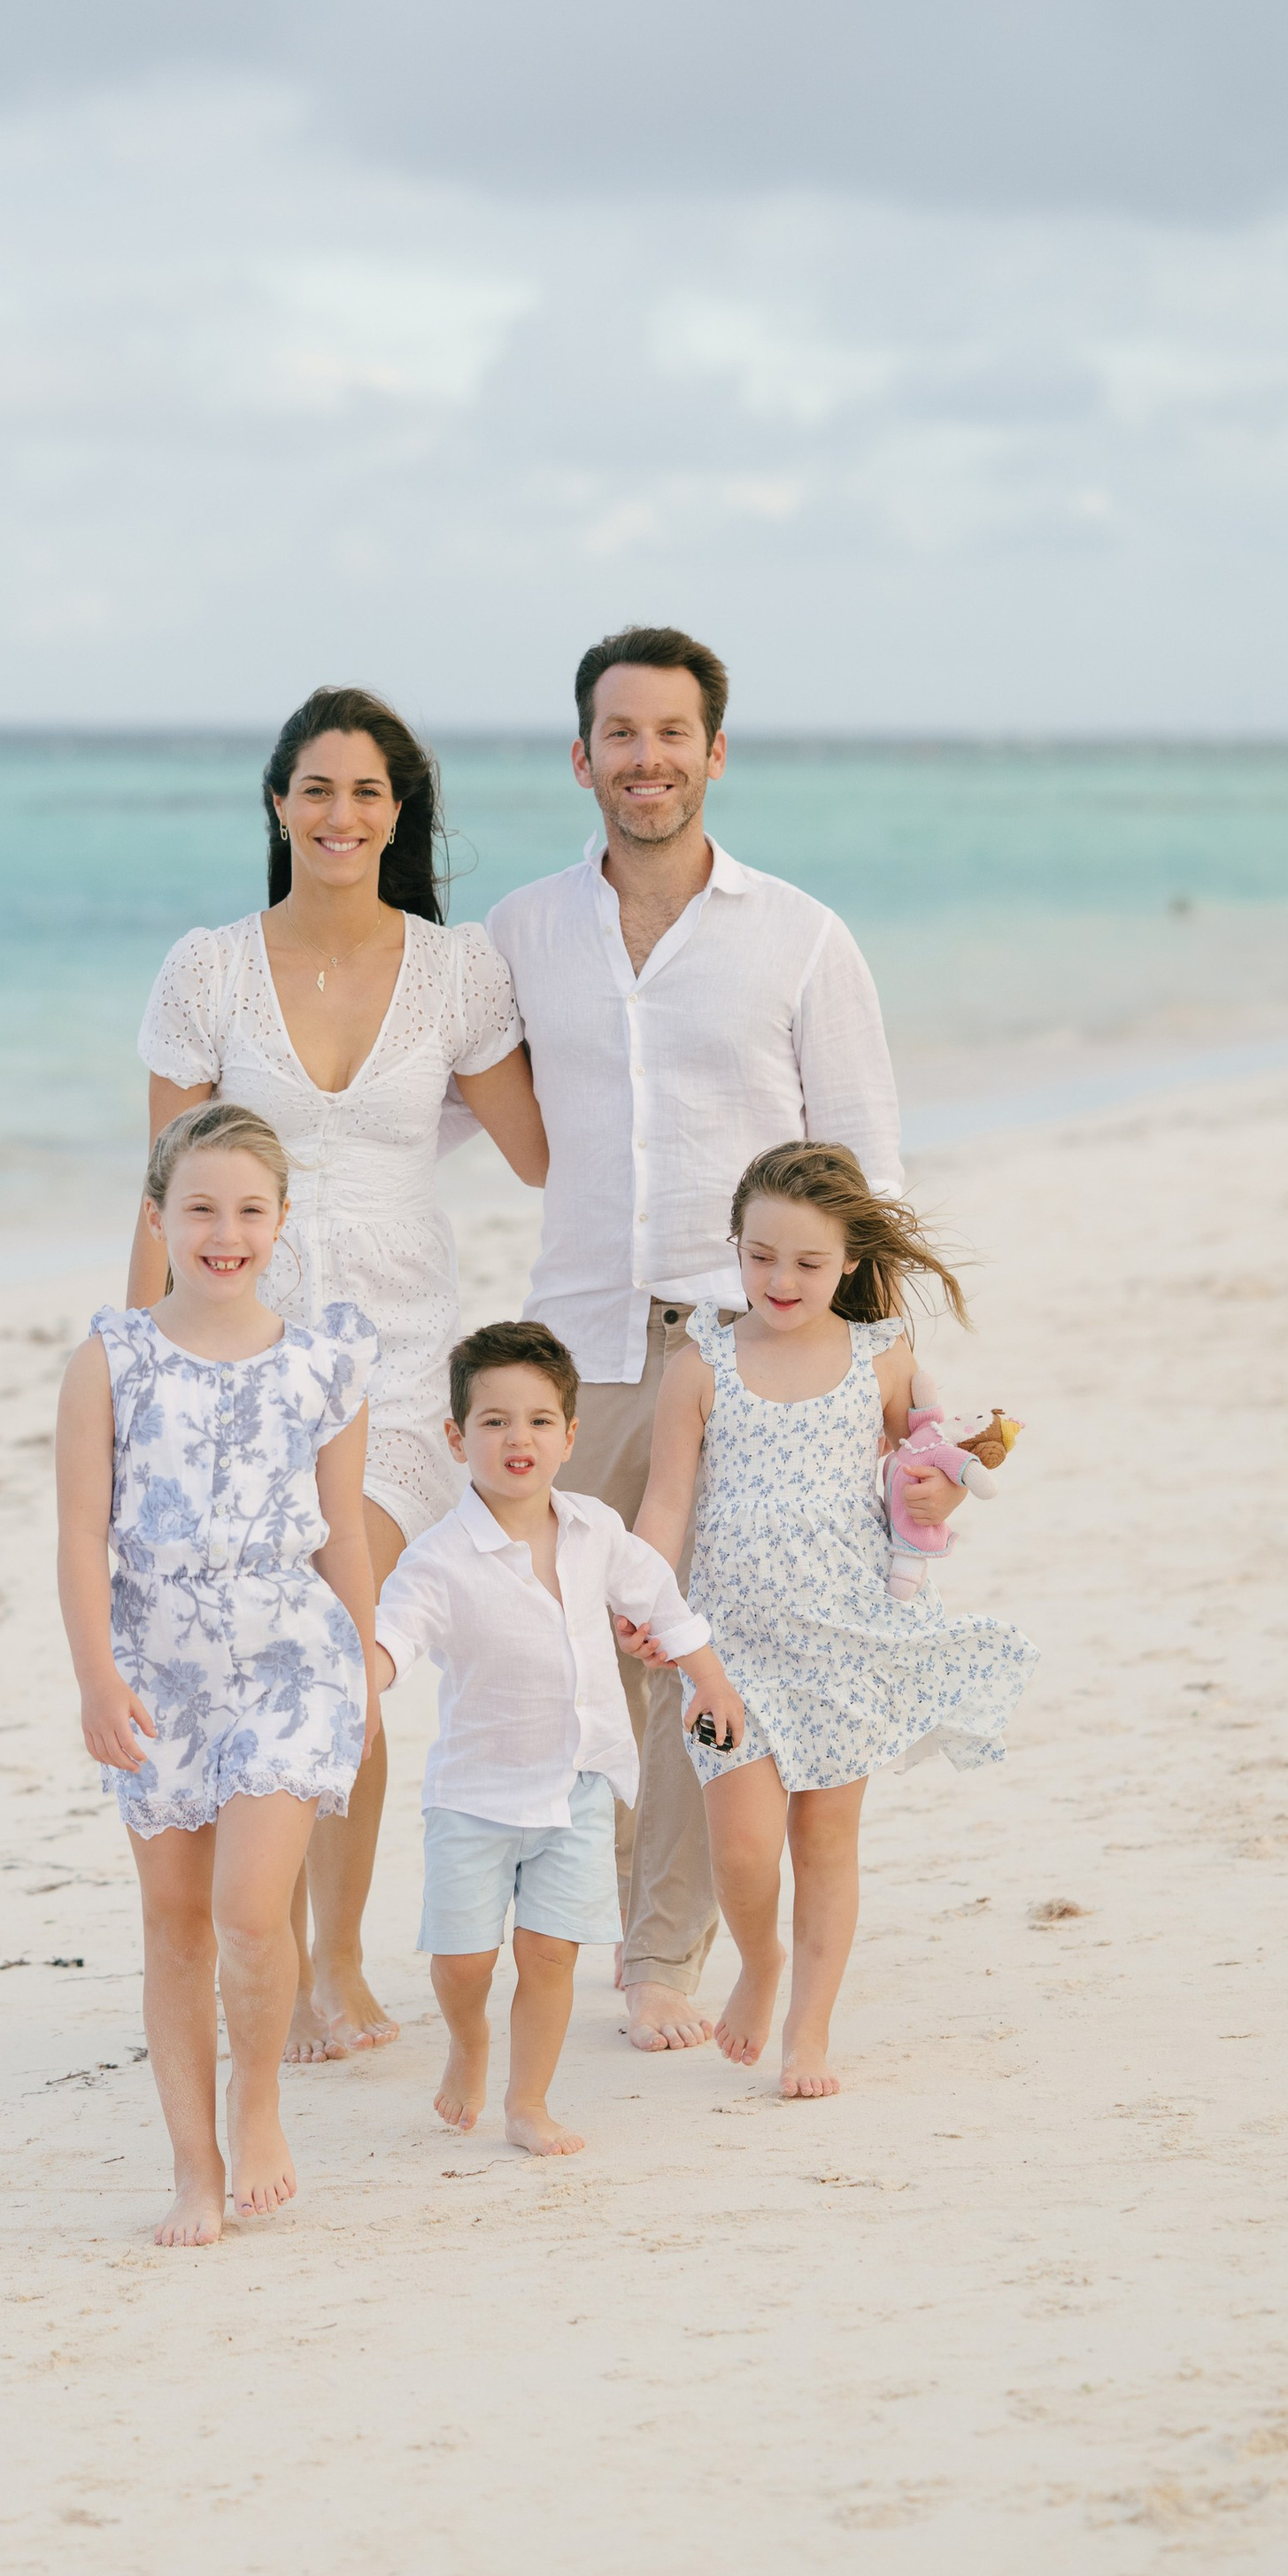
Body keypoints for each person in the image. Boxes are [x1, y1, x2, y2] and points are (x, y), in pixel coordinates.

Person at [486, 623, 937, 2056]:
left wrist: (882, 1388)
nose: (647, 758)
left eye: (672, 733)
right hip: (575, 1352)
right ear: (581, 757)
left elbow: (865, 1161)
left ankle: (663, 1954)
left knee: (693, 1657)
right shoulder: (518, 933)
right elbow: (428, 1106)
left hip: (743, 1354)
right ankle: (580, 1911)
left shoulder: (800, 936)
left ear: (715, 753)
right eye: (620, 733)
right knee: (568, 1652)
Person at [131, 688, 548, 2063]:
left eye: (368, 792)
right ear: (277, 803)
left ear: (400, 811)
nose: (341, 815)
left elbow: (548, 1149)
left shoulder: (458, 969)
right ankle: (269, 1940)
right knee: (254, 1655)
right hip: (236, 1354)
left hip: (398, 1349)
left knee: (341, 1645)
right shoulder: (205, 969)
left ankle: (332, 1963)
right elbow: (162, 1198)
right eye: (317, 788)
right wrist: (137, 1389)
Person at [633, 1142, 1037, 2098]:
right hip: (727, 1654)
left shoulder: (881, 1357)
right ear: (735, 1247)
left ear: (849, 1261)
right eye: (761, 1255)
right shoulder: (700, 1366)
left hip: (847, 1642)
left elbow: (930, 1471)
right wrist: (640, 1601)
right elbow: (664, 1506)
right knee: (739, 1847)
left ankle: (806, 2029)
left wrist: (945, 1499)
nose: (780, 1279)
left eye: (808, 1262)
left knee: (823, 1841)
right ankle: (759, 1959)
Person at [56, 1103, 381, 2245]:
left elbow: (341, 1526)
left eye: (249, 1209)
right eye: (199, 1207)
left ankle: (259, 2102)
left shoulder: (323, 1361)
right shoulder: (112, 1361)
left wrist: (368, 1662)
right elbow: (78, 1537)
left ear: (282, 1223)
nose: (224, 1231)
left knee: (251, 1911)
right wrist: (98, 1679)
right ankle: (194, 2169)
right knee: (175, 1921)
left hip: (294, 1662)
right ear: (158, 1217)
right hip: (156, 1674)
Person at [370, 1321, 738, 2158]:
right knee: (465, 1961)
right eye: (494, 1420)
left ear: (571, 1435)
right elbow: (396, 1634)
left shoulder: (596, 1529)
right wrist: (368, 1676)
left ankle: (528, 2100)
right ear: (457, 1436)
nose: (518, 1438)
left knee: (550, 1954)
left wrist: (709, 1677)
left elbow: (661, 1600)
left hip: (578, 1784)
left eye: (539, 1419)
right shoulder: (438, 1559)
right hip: (473, 1795)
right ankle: (468, 2043)